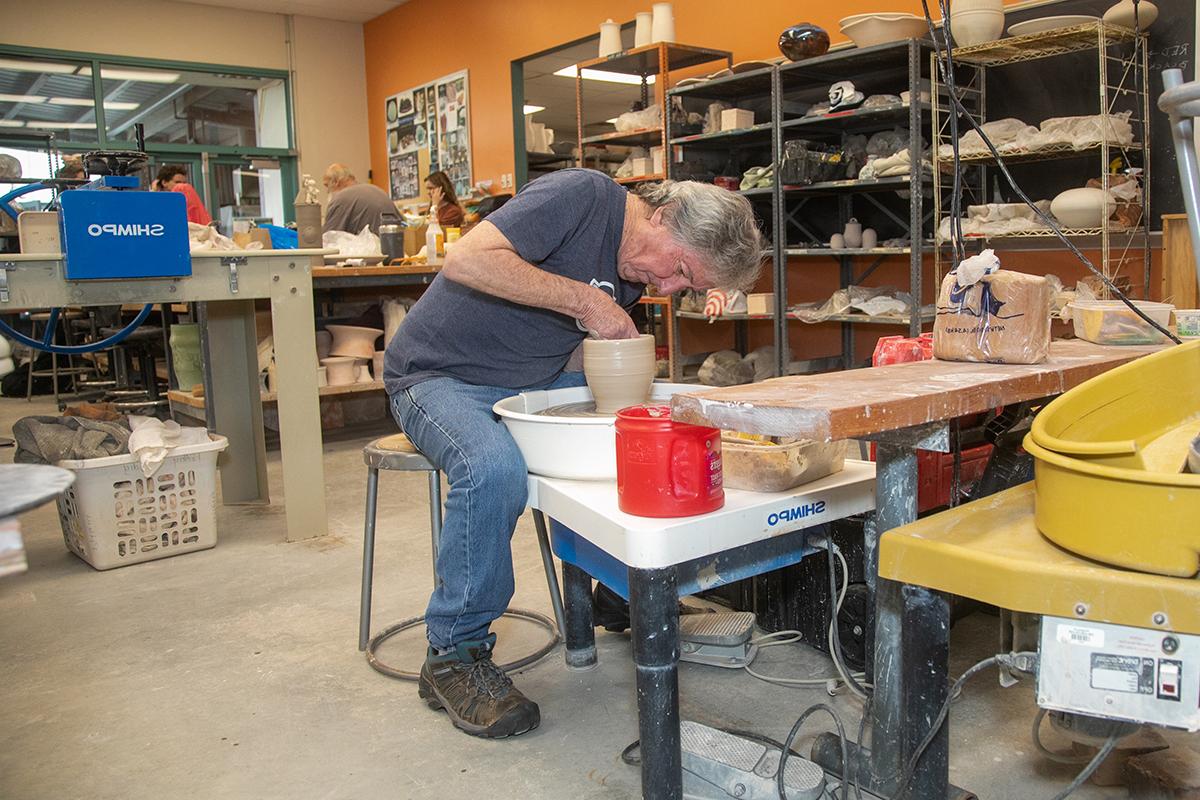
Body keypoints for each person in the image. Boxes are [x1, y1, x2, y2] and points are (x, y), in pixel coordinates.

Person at [383, 168, 764, 739]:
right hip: (438, 376)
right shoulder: (582, 197)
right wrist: (587, 303)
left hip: (527, 382)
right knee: (492, 470)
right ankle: (453, 654)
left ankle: (615, 595)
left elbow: (559, 349)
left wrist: (628, 378)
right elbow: (467, 259)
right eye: (680, 270)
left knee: (633, 437)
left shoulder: (638, 267)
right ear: (663, 218)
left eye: (683, 287)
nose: (665, 289)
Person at [322, 162, 397, 235]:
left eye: (327, 185)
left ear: (336, 182)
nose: (327, 191)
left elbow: (329, 238)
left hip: (372, 246)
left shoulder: (340, 199)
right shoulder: (377, 190)